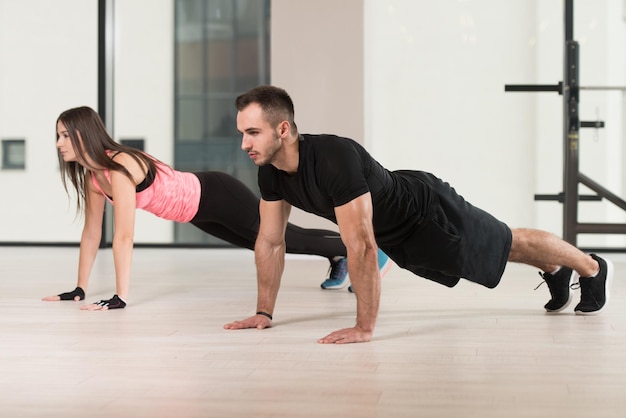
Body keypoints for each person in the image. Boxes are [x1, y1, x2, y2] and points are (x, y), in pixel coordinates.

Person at [224, 85, 614, 344]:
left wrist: (364, 328)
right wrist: (263, 312)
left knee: (507, 243)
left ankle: (592, 268)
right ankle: (556, 269)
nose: (244, 144)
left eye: (253, 132)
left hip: (426, 210)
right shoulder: (271, 172)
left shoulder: (332, 159)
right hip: (402, 235)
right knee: (494, 254)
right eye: (242, 133)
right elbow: (272, 241)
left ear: (283, 129)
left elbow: (360, 245)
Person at [43, 106, 389, 310]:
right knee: (264, 242)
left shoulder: (117, 166)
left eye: (65, 136)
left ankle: (366, 252)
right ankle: (340, 254)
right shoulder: (93, 178)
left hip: (213, 192)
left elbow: (124, 237)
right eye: (57, 136)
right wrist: (79, 287)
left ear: (84, 134)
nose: (59, 144)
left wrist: (120, 296)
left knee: (280, 238)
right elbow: (91, 234)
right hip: (196, 211)